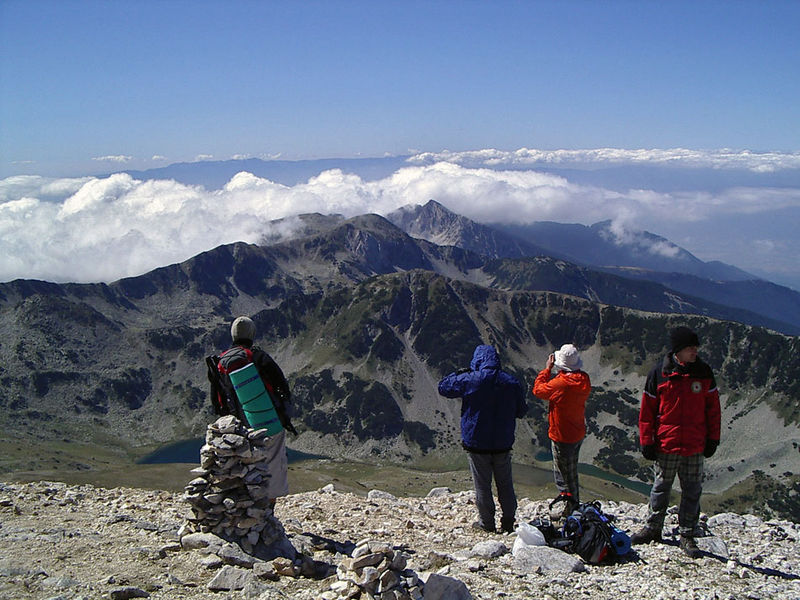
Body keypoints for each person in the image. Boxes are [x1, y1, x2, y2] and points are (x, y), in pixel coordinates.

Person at [632, 326, 721, 558]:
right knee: (661, 486)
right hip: (667, 442)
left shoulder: (703, 372)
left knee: (692, 490)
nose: (695, 351)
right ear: (679, 349)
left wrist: (713, 439)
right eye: (691, 347)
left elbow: (713, 409)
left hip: (694, 443)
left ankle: (687, 534)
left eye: (696, 347)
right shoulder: (659, 373)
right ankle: (653, 528)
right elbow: (647, 411)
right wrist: (647, 440)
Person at [438, 344, 527, 534]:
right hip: (503, 443)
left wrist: (461, 372)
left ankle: (487, 524)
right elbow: (521, 411)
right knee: (505, 484)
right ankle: (508, 522)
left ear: (477, 360)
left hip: (477, 442)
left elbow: (443, 387)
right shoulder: (511, 382)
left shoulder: (472, 379)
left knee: (482, 486)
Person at [217, 316, 297, 508]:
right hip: (266, 422)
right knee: (273, 464)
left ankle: (242, 510)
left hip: (236, 427)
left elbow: (218, 398)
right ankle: (268, 511)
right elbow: (281, 386)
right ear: (252, 334)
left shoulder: (221, 362)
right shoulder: (258, 357)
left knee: (243, 466)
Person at [532, 343, 591, 519]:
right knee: (571, 471)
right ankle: (574, 505)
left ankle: (569, 510)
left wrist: (547, 370)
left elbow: (538, 390)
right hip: (577, 432)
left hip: (561, 434)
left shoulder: (561, 383)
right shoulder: (584, 379)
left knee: (562, 474)